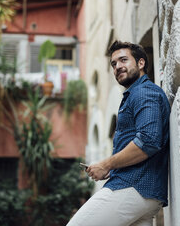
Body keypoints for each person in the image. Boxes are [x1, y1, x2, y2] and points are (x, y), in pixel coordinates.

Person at [67, 40, 170, 226]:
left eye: (123, 60)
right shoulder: (136, 94)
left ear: (141, 63)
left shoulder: (144, 92)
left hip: (133, 185)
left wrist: (106, 165)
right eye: (114, 64)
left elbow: (148, 141)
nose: (117, 67)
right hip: (144, 192)